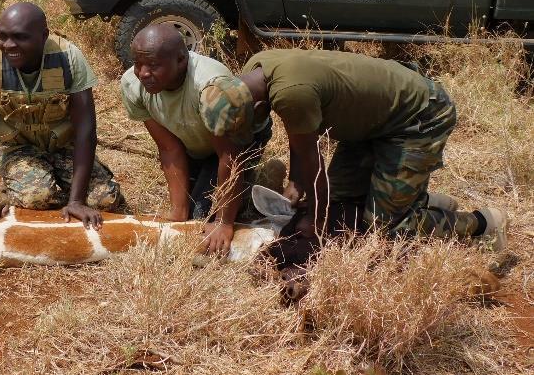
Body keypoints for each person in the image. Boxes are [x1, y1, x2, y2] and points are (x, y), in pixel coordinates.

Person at [239, 48, 508, 265]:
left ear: (260, 106)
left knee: (385, 228)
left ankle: (484, 223)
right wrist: (297, 183)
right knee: (341, 203)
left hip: (418, 116)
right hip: (371, 123)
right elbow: (299, 134)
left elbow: (314, 164)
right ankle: (421, 201)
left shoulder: (291, 94)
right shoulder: (255, 70)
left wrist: (315, 221)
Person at [0, 2, 123, 228]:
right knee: (37, 197)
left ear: (44, 36)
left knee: (105, 200)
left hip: (65, 146)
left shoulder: (68, 57)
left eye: (20, 37)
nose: (9, 45)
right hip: (18, 148)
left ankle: (55, 188)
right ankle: (22, 187)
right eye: (2, 36)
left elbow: (86, 130)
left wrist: (76, 201)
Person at [120, 23, 270, 256]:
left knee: (204, 217)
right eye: (137, 64)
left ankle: (261, 179)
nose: (143, 73)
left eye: (153, 65)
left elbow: (230, 156)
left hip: (235, 144)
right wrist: (177, 213)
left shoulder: (209, 86)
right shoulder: (132, 83)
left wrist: (223, 222)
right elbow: (168, 148)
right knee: (188, 217)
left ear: (181, 60)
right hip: (195, 144)